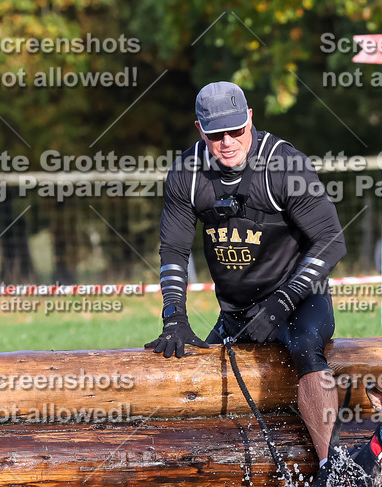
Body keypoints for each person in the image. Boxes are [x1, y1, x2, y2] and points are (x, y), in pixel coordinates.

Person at [146, 81, 346, 467]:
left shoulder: (284, 165)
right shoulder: (187, 174)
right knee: (194, 377)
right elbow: (174, 248)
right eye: (216, 133)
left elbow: (331, 240)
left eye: (236, 130)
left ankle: (330, 470)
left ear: (250, 118)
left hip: (298, 300)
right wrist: (174, 315)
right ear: (199, 129)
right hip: (237, 310)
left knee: (306, 346)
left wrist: (284, 300)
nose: (228, 142)